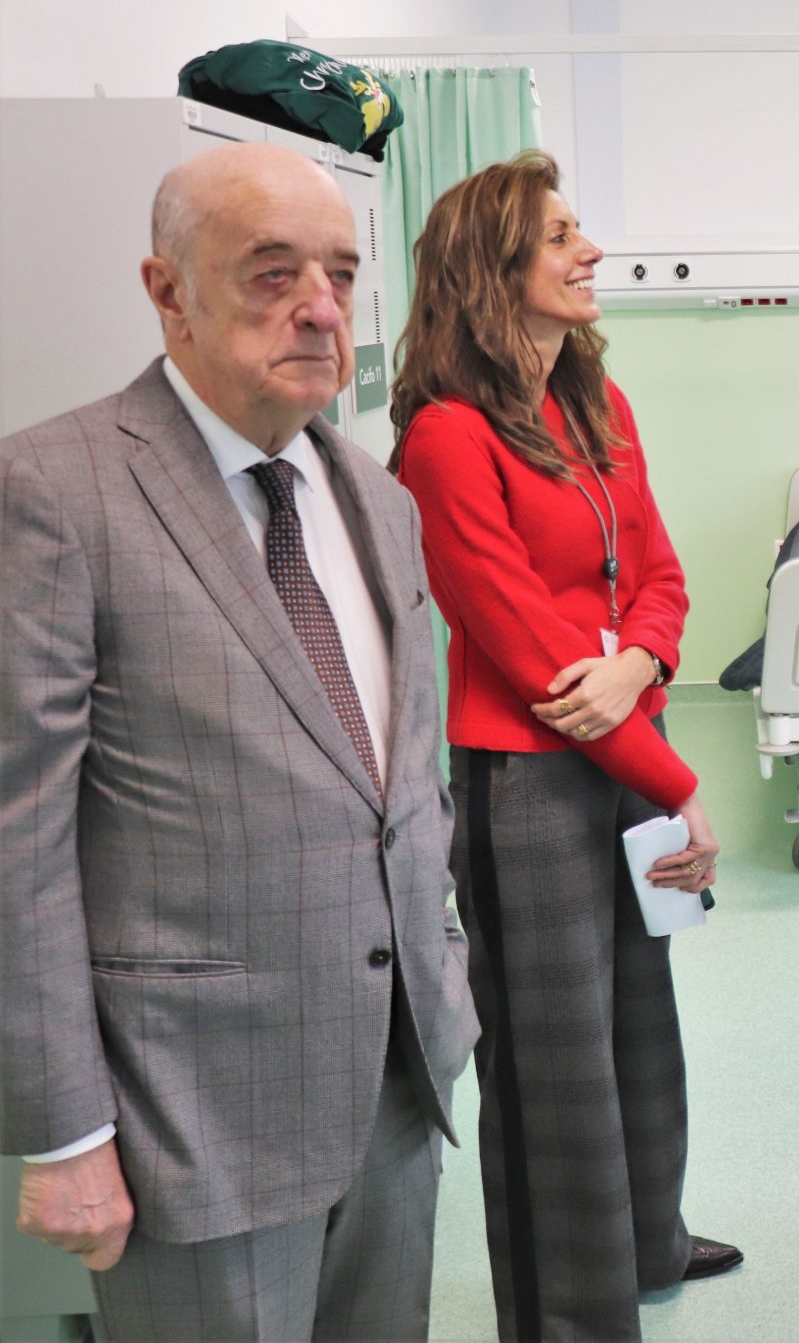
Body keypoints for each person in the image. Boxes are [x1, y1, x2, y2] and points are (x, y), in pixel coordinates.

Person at [1, 142, 480, 1340]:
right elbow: (19, 842)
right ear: (168, 292)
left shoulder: (378, 501)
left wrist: (444, 971)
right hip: (190, 1115)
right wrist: (64, 1134)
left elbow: (403, 780)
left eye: (339, 273)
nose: (320, 308)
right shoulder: (55, 491)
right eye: (273, 273)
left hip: (395, 1083)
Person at [389, 150, 739, 1341]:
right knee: (557, 1069)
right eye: (559, 237)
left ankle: (650, 1240)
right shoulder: (445, 438)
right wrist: (679, 783)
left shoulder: (598, 406)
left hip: (627, 741)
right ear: (491, 272)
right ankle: (574, 1317)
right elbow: (530, 654)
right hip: (529, 782)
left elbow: (660, 576)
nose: (589, 252)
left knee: (642, 1019)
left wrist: (638, 667)